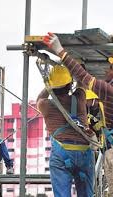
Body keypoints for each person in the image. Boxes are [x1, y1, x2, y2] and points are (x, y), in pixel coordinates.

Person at [43, 32, 113, 196]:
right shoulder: (80, 98)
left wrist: (60, 51)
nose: (107, 70)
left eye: (110, 67)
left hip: (65, 151)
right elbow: (82, 84)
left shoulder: (109, 91)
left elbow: (84, 78)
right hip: (86, 151)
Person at [37, 65, 96, 197]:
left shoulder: (46, 105)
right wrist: (79, 69)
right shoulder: (79, 99)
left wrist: (47, 84)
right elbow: (81, 83)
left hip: (61, 153)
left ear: (52, 86)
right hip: (83, 152)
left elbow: (39, 98)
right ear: (69, 85)